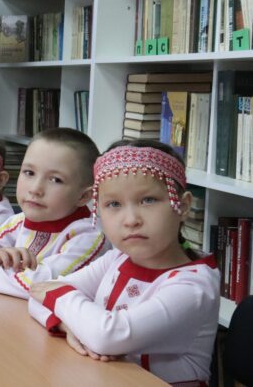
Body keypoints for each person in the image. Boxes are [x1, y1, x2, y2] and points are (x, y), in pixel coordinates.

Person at [29, 141, 219, 385]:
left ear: (181, 206)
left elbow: (107, 336)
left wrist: (62, 301)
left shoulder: (193, 286)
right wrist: (68, 325)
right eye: (114, 204)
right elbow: (36, 295)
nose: (130, 220)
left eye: (148, 200)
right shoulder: (117, 259)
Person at [0, 128, 109, 299]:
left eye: (55, 180)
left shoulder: (89, 236)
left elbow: (40, 284)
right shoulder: (19, 222)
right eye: (29, 173)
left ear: (84, 196)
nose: (35, 189)